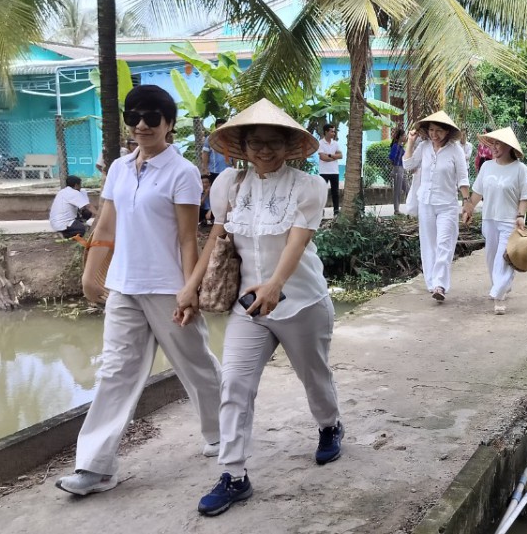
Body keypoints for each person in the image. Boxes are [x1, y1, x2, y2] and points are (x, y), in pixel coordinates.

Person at [55, 85, 223, 497]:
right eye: (134, 117)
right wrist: (91, 274)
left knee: (195, 363)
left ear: (169, 123)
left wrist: (190, 290)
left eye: (152, 118)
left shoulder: (182, 172)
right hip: (124, 287)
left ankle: (225, 431)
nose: (142, 125)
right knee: (116, 371)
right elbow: (106, 225)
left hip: (168, 287)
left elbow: (187, 238)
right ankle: (95, 466)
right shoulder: (118, 168)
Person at [186, 99, 343, 517]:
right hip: (249, 307)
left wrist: (275, 284)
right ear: (242, 146)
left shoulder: (308, 187)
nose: (264, 150)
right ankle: (234, 474)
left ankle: (329, 425)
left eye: (274, 142)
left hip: (301, 302)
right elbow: (216, 240)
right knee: (234, 384)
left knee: (314, 377)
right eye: (255, 142)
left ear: (289, 146)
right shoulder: (229, 185)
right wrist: (190, 288)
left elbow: (298, 241)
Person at [462, 127, 527, 315]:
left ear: (509, 146)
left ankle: (498, 297)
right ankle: (500, 286)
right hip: (489, 219)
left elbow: (525, 196)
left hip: (510, 220)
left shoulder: (520, 169)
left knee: (503, 258)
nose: (494, 147)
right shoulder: (487, 167)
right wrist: (468, 210)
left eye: (498, 143)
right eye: (492, 143)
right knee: (491, 259)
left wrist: (520, 216)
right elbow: (477, 193)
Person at [403, 110, 470, 302]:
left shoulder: (455, 150)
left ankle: (440, 284)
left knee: (444, 243)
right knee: (428, 244)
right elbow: (408, 165)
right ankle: (432, 283)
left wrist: (466, 202)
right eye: (431, 130)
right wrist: (411, 142)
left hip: (447, 205)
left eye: (439, 130)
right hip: (426, 203)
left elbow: (462, 178)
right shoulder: (424, 147)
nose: (434, 134)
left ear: (447, 131)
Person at [317, 124, 342, 216]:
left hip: (334, 172)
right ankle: (321, 211)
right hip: (324, 172)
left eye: (334, 131)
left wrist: (330, 155)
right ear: (326, 132)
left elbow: (341, 156)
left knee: (335, 193)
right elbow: (323, 158)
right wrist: (334, 157)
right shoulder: (320, 143)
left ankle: (336, 211)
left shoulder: (335, 143)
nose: (334, 133)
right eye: (332, 131)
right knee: (322, 193)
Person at [389, 128, 408, 215]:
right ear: (400, 137)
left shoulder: (400, 146)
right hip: (398, 169)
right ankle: (396, 210)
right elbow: (391, 157)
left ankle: (413, 208)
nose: (405, 137)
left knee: (407, 189)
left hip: (401, 169)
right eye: (404, 135)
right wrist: (394, 168)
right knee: (397, 190)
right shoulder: (396, 146)